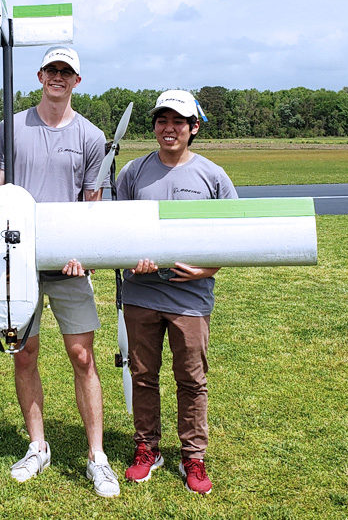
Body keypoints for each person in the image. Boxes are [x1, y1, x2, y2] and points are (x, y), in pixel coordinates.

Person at [0, 46, 120, 498]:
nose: (57, 77)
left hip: (68, 266)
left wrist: (83, 252)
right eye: (51, 70)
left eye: (66, 72)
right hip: (16, 264)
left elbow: (91, 205)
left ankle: (97, 456)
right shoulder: (10, 127)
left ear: (76, 81)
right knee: (25, 354)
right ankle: (37, 446)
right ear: (38, 76)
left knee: (83, 357)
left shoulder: (92, 136)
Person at [115, 89, 236, 495]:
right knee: (143, 376)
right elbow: (115, 230)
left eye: (178, 122)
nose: (169, 129)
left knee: (192, 379)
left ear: (193, 128)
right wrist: (132, 259)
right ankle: (147, 448)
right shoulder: (133, 172)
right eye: (162, 121)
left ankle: (193, 457)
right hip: (141, 295)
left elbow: (234, 235)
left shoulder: (212, 176)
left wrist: (206, 269)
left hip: (191, 298)